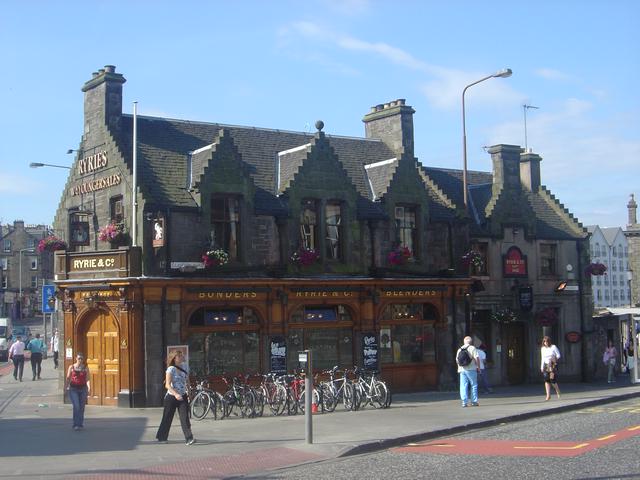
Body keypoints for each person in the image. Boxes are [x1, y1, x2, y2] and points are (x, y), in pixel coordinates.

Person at [155, 350, 195, 445]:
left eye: (181, 356)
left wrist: (189, 393)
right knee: (167, 417)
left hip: (182, 396)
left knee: (184, 418)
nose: (181, 357)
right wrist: (176, 394)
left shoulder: (184, 367)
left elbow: (187, 381)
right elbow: (167, 385)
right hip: (171, 397)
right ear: (174, 358)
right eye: (179, 356)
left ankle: (189, 438)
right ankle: (162, 437)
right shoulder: (170, 369)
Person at [65, 353, 91, 430]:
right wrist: (66, 387)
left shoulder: (85, 368)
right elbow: (68, 378)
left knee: (82, 407)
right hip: (73, 389)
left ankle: (80, 423)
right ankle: (75, 424)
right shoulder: (72, 367)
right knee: (76, 406)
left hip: (83, 389)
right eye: (79, 358)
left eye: (82, 359)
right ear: (76, 358)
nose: (80, 360)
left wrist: (89, 387)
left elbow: (88, 378)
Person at [456, 336, 480, 407]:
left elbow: (457, 360)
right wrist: (478, 367)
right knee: (474, 385)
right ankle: (474, 401)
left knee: (463, 386)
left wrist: (460, 367)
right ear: (471, 342)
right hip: (471, 369)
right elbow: (477, 358)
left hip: (462, 370)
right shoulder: (472, 348)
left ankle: (464, 402)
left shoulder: (459, 349)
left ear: (464, 342)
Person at [540, 336, 561, 401]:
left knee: (552, 380)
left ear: (549, 341)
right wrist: (541, 366)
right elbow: (542, 358)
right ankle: (548, 395)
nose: (545, 343)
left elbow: (558, 355)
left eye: (546, 341)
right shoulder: (543, 348)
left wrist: (553, 359)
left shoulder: (553, 347)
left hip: (552, 365)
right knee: (546, 380)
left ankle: (557, 390)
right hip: (546, 365)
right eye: (544, 341)